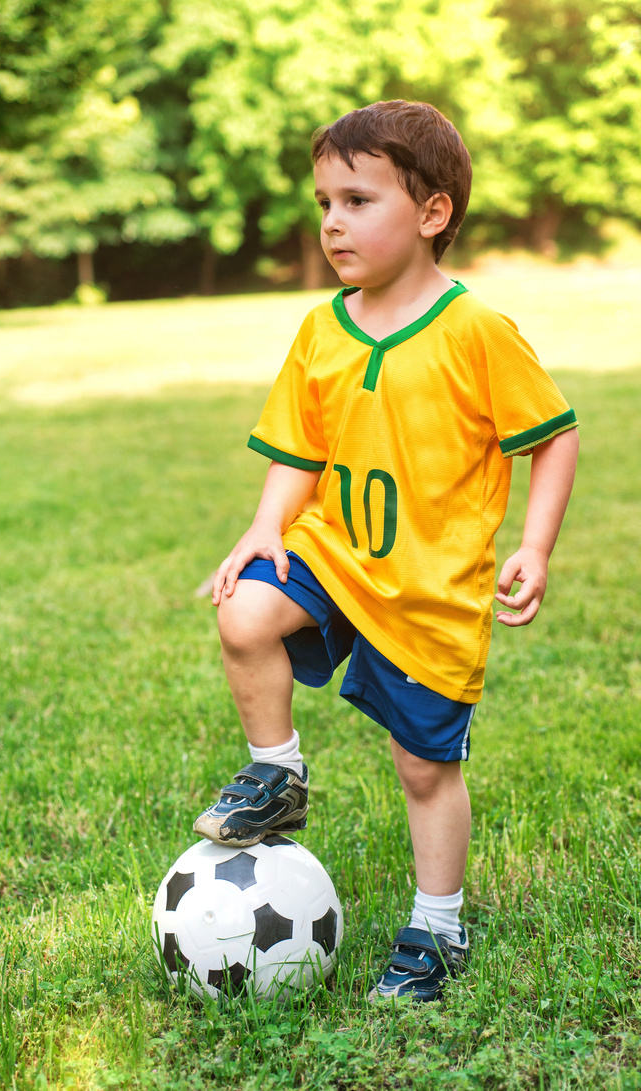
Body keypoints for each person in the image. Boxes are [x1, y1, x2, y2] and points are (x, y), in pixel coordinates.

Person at [193, 99, 579, 1002]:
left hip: (428, 589)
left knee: (424, 766)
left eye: (358, 199)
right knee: (246, 608)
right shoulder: (324, 327)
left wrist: (535, 544)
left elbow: (553, 438)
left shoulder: (475, 330)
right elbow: (300, 446)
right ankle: (277, 772)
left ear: (433, 212)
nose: (332, 221)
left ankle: (436, 930)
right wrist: (263, 529)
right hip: (332, 548)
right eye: (325, 200)